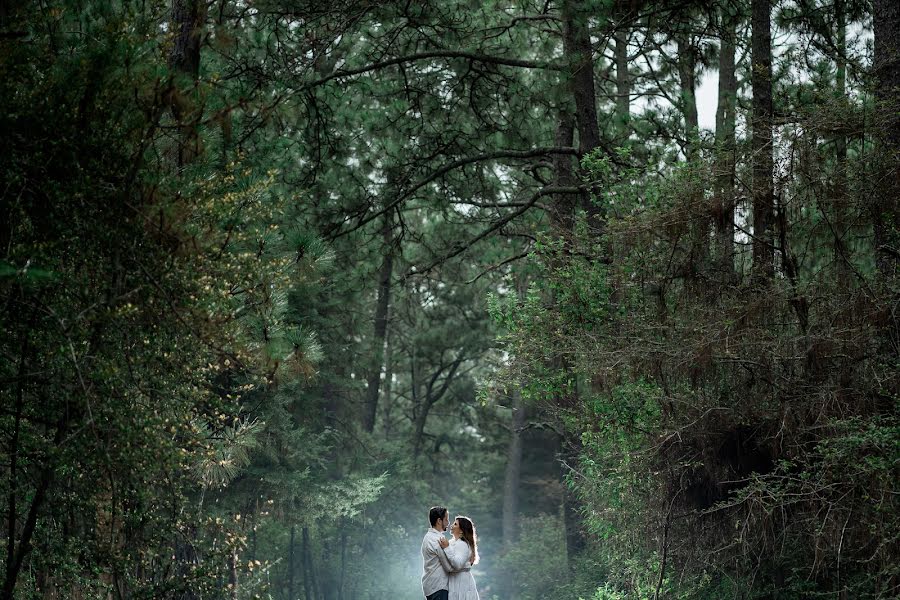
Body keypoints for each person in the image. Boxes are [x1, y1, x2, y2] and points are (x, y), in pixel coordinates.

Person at [421, 506, 454, 600]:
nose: (448, 523)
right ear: (439, 521)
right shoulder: (438, 540)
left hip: (431, 585)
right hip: (438, 586)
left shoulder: (428, 537)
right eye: (446, 519)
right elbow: (448, 567)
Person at [443, 516, 480, 600]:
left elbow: (458, 564)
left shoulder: (462, 544)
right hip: (455, 579)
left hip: (461, 581)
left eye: (455, 524)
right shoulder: (452, 542)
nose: (451, 526)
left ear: (461, 530)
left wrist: (446, 548)